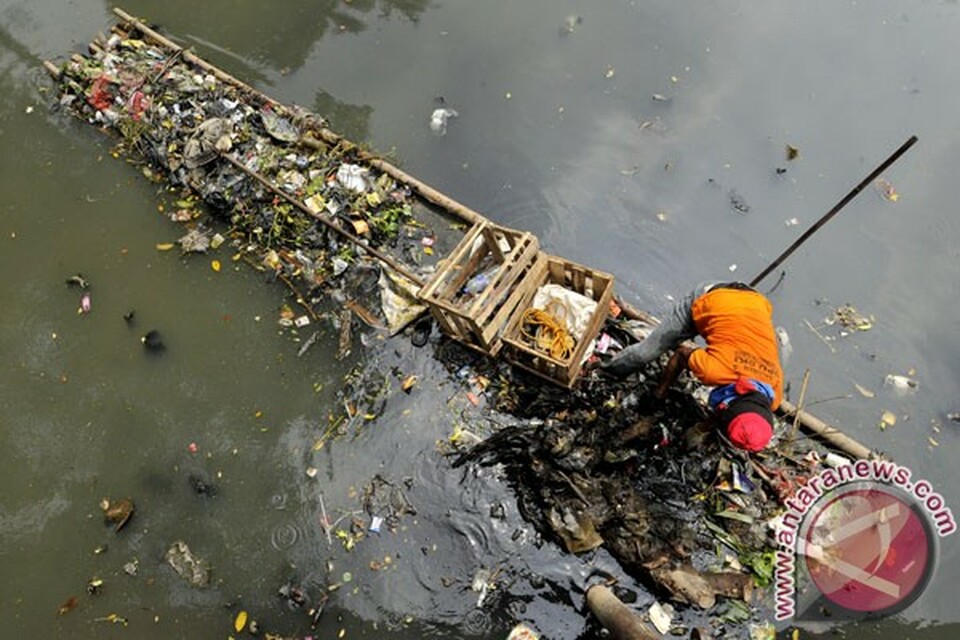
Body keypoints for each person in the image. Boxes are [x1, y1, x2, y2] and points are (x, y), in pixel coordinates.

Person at [602, 281, 783, 452]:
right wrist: (659, 394)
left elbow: (732, 406)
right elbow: (681, 354)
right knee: (645, 353)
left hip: (754, 304)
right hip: (714, 295)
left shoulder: (773, 395)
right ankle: (605, 370)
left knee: (715, 346)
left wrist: (700, 430)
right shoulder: (714, 370)